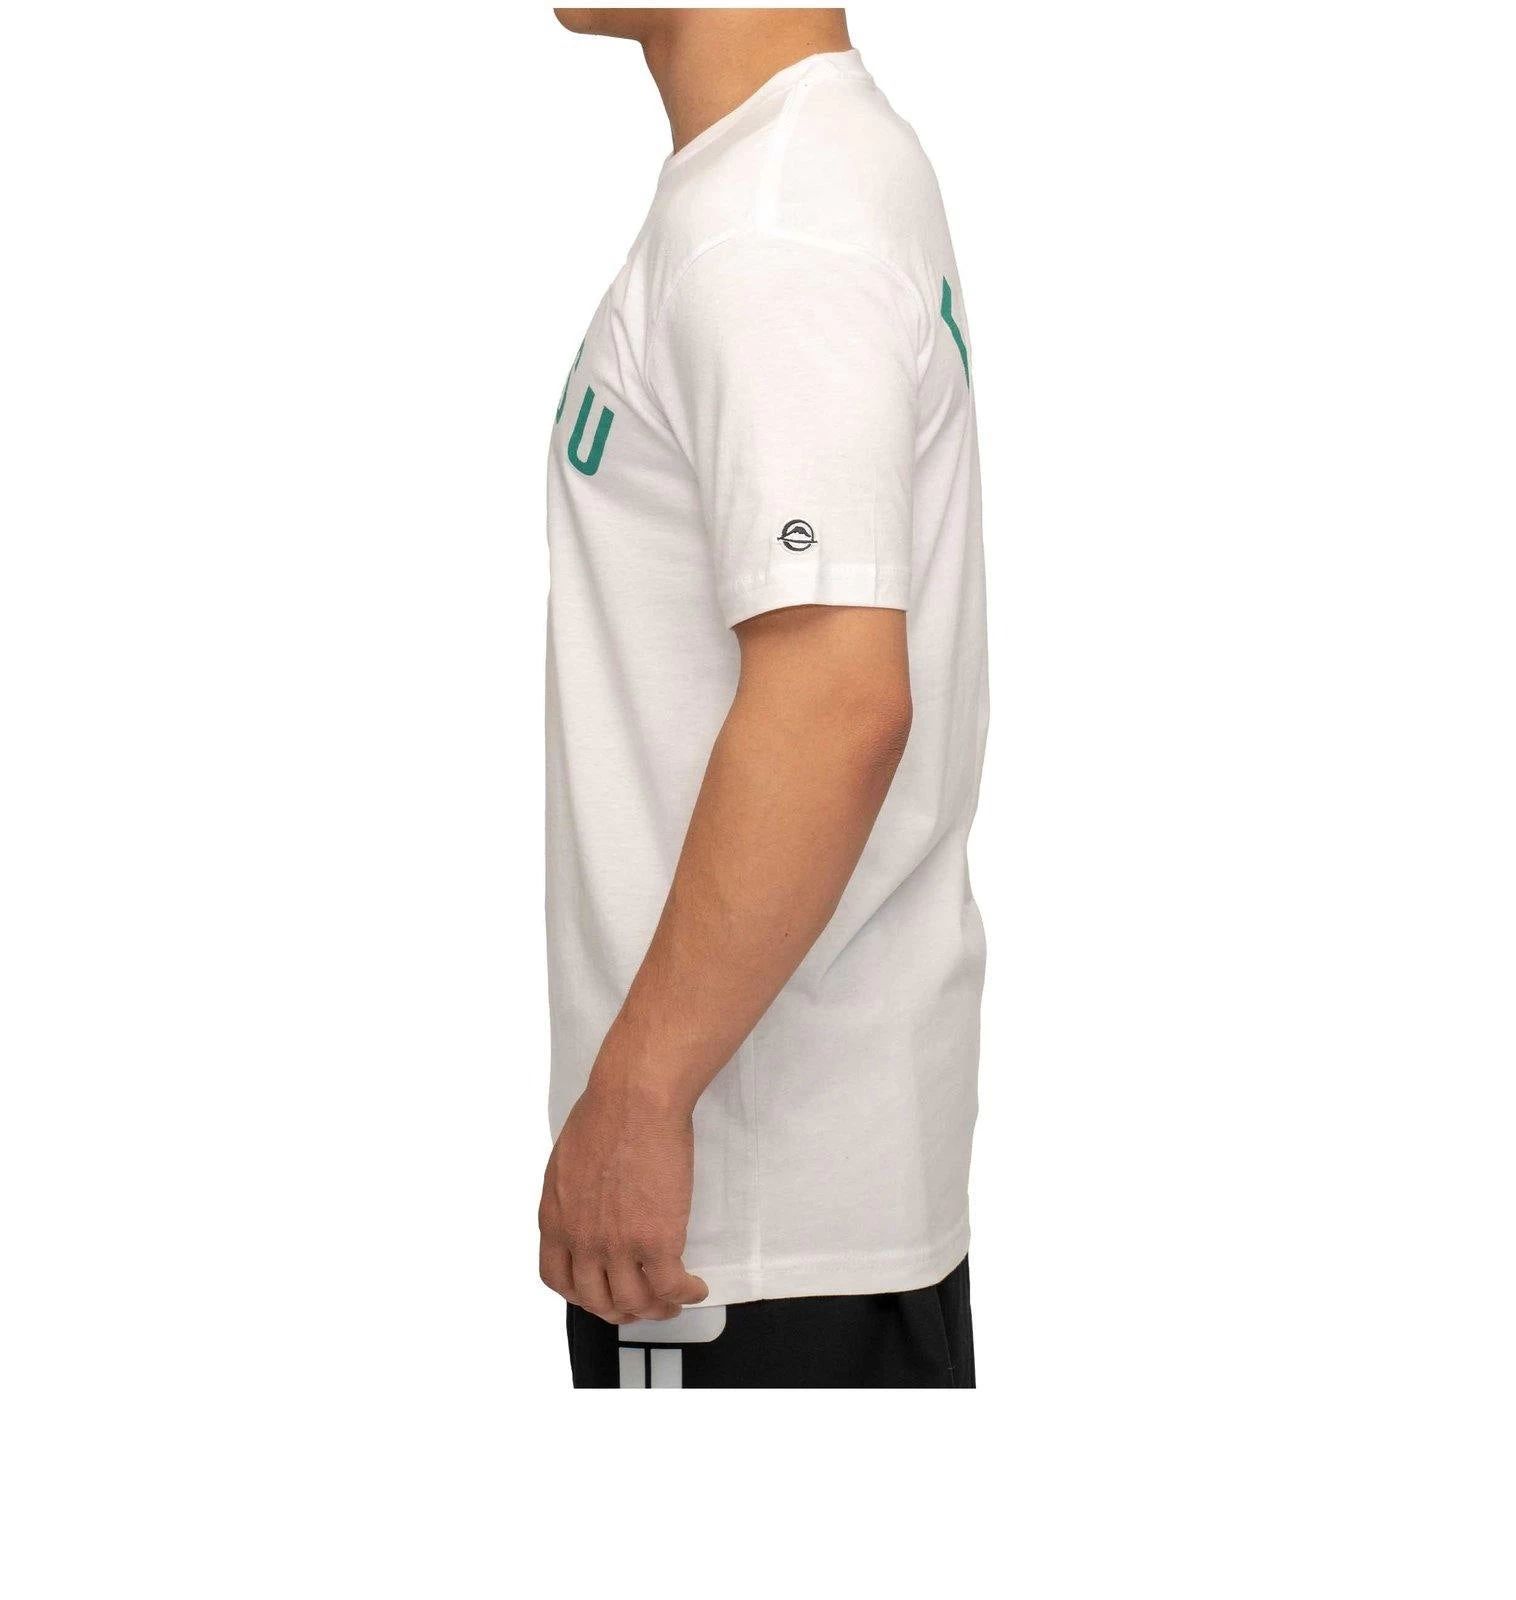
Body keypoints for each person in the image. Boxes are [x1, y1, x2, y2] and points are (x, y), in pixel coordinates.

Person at [540, 7, 987, 1387]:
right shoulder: (793, 172)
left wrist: (640, 1093)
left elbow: (836, 702)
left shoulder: (773, 226)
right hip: (788, 1209)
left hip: (741, 1223)